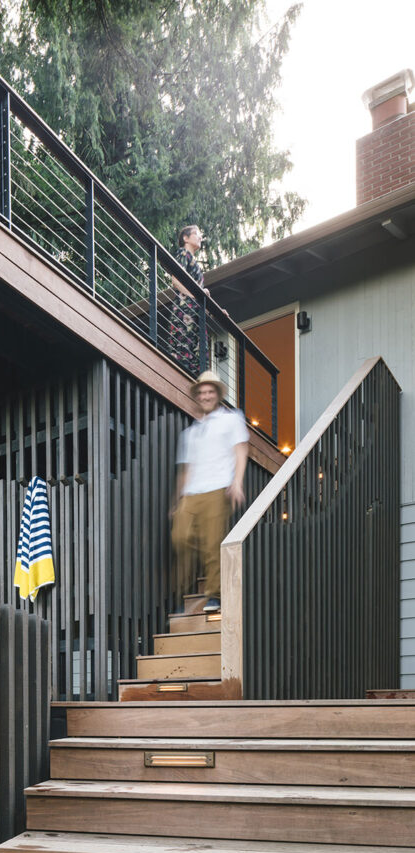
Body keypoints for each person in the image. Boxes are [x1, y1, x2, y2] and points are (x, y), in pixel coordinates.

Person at [171, 370, 249, 613]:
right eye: (202, 392)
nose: (205, 396)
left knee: (214, 541)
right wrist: (177, 500)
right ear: (198, 397)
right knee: (180, 537)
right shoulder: (191, 431)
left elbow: (241, 450)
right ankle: (184, 595)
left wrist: (237, 481)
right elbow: (186, 469)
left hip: (218, 488)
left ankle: (214, 595)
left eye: (210, 391)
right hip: (192, 493)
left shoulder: (231, 418)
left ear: (217, 395)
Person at [169, 225, 210, 378]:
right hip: (185, 309)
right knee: (184, 347)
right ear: (185, 238)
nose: (200, 237)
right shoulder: (183, 253)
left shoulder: (195, 263)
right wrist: (195, 295)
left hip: (195, 312)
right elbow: (175, 280)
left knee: (195, 348)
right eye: (196, 234)